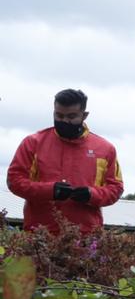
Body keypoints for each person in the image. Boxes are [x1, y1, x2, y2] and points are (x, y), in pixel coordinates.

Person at [6, 89, 124, 234]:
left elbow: (116, 189)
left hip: (85, 240)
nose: (64, 121)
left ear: (84, 115)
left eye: (71, 116)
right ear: (53, 112)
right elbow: (14, 181)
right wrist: (49, 191)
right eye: (59, 115)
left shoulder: (105, 149)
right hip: (39, 238)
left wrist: (91, 195)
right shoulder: (33, 143)